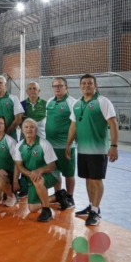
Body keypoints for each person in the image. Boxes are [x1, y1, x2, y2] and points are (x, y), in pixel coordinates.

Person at [65, 74, 118, 226]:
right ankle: (91, 206)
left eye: (90, 83)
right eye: (84, 83)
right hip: (82, 149)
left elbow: (113, 124)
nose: (86, 85)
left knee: (96, 180)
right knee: (88, 179)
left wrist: (114, 146)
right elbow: (73, 126)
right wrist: (68, 145)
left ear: (96, 85)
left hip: (98, 149)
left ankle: (96, 210)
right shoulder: (77, 104)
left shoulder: (102, 101)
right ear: (80, 86)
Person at [14, 118, 61, 222]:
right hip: (32, 176)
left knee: (37, 180)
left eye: (32, 127)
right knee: (32, 208)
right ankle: (56, 197)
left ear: (36, 129)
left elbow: (52, 166)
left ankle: (46, 210)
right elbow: (19, 166)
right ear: (22, 130)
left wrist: (39, 171)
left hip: (50, 175)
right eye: (26, 127)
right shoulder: (19, 146)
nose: (29, 129)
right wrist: (26, 176)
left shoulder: (44, 144)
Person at [46, 77, 78, 209]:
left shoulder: (72, 103)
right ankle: (58, 194)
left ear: (67, 87)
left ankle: (70, 197)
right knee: (55, 171)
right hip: (51, 146)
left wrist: (69, 144)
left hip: (65, 146)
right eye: (55, 86)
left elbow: (75, 125)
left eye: (60, 86)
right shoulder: (49, 102)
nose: (57, 88)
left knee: (68, 173)